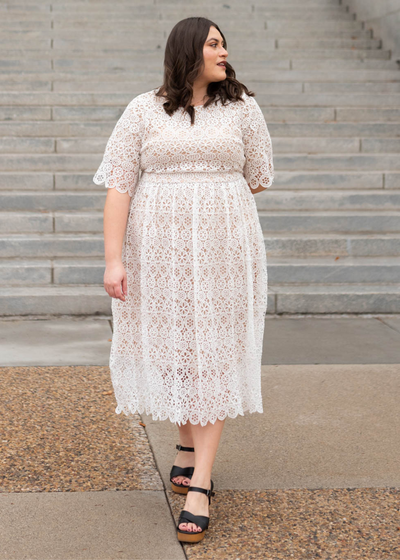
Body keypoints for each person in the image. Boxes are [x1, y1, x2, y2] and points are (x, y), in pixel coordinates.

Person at [93, 16, 274, 544]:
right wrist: (114, 259)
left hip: (223, 251)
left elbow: (259, 176)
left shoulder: (244, 107)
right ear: (188, 51)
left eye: (224, 43)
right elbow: (119, 187)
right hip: (158, 254)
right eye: (214, 44)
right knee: (175, 349)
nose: (224, 51)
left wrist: (208, 198)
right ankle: (186, 442)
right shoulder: (142, 111)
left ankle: (200, 484)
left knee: (212, 352)